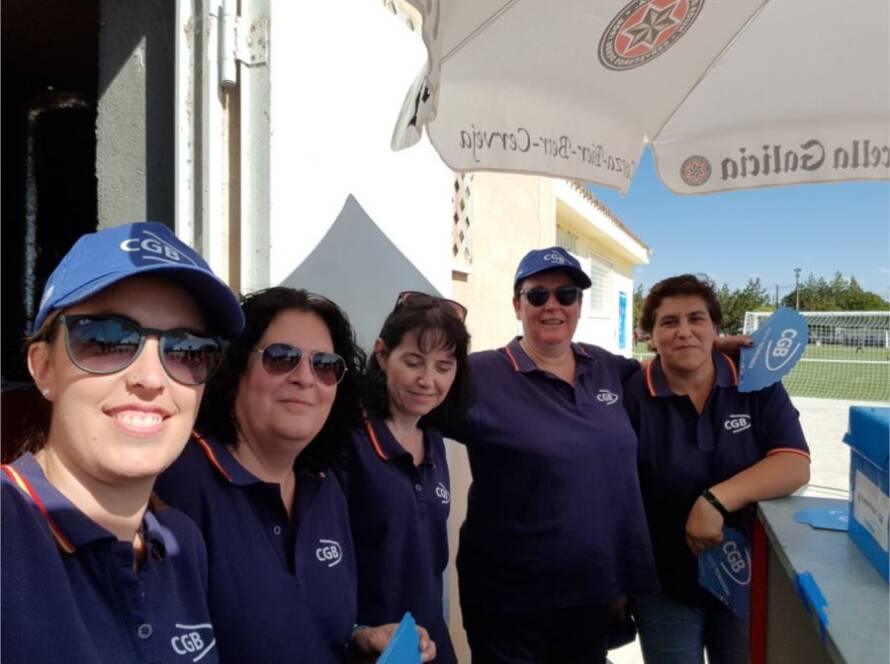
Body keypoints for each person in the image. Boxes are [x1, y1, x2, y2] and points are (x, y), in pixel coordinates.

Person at [2, 221, 244, 663]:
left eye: (187, 349)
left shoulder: (180, 543)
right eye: (106, 338)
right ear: (43, 369)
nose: (151, 378)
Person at [155, 287, 436, 663]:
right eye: (281, 358)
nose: (305, 378)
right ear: (236, 369)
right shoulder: (177, 486)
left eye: (324, 365)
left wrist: (361, 641)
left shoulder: (325, 487)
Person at [441, 246, 660, 663]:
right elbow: (408, 401)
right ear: (517, 305)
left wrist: (719, 349)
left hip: (592, 594)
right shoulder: (479, 375)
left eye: (567, 295)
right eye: (538, 295)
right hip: (509, 600)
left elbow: (668, 372)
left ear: (578, 305)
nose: (553, 306)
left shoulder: (605, 366)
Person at [624, 274, 811, 664]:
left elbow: (794, 463)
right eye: (669, 322)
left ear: (716, 329)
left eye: (697, 320)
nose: (684, 332)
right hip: (663, 586)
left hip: (743, 577)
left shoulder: (756, 382)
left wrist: (714, 500)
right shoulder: (631, 394)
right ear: (650, 335)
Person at [338, 291, 472, 664]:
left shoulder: (433, 441)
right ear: (382, 354)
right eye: (414, 362)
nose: (427, 380)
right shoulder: (348, 442)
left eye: (444, 367)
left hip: (426, 640)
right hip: (365, 644)